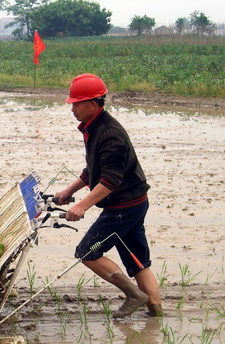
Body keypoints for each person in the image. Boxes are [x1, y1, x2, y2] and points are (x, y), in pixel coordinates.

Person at [55, 73, 163, 318]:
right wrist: (69, 191)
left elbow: (109, 180)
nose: (72, 108)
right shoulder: (94, 128)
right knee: (138, 263)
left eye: (76, 103)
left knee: (87, 252)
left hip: (122, 208)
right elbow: (92, 170)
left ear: (93, 104)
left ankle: (134, 295)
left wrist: (82, 206)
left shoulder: (109, 133)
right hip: (133, 203)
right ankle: (156, 316)